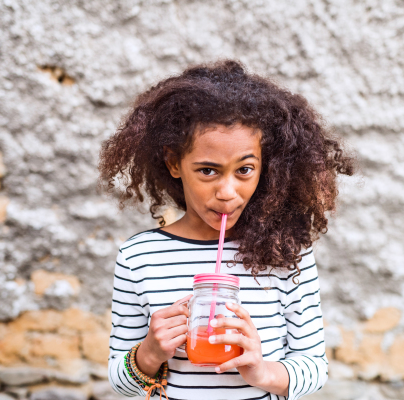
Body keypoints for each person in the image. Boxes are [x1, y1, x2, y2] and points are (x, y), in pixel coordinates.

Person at [99, 60, 355, 400]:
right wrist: (148, 353)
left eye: (245, 169)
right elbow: (121, 382)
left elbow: (314, 368)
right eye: (208, 170)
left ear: (267, 166)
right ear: (174, 163)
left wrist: (261, 371)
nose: (227, 192)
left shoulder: (286, 253)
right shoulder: (139, 257)